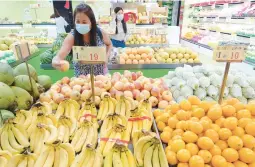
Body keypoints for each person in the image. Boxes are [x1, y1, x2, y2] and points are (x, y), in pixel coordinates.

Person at [52, 3, 112, 76]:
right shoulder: (72, 37)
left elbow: (109, 44)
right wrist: (55, 61)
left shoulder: (99, 33)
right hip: (81, 82)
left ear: (91, 22)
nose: (80, 24)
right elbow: (59, 56)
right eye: (77, 21)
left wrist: (106, 56)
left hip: (101, 78)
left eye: (84, 22)